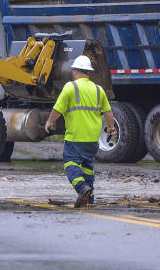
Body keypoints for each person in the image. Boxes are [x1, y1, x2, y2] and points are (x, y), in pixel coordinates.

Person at [44, 55, 115, 208]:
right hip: (92, 139)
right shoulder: (98, 89)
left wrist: (50, 121)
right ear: (88, 72)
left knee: (70, 165)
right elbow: (108, 112)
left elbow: (58, 108)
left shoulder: (71, 87)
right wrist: (111, 128)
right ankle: (89, 201)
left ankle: (82, 189)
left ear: (75, 71)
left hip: (75, 137)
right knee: (88, 169)